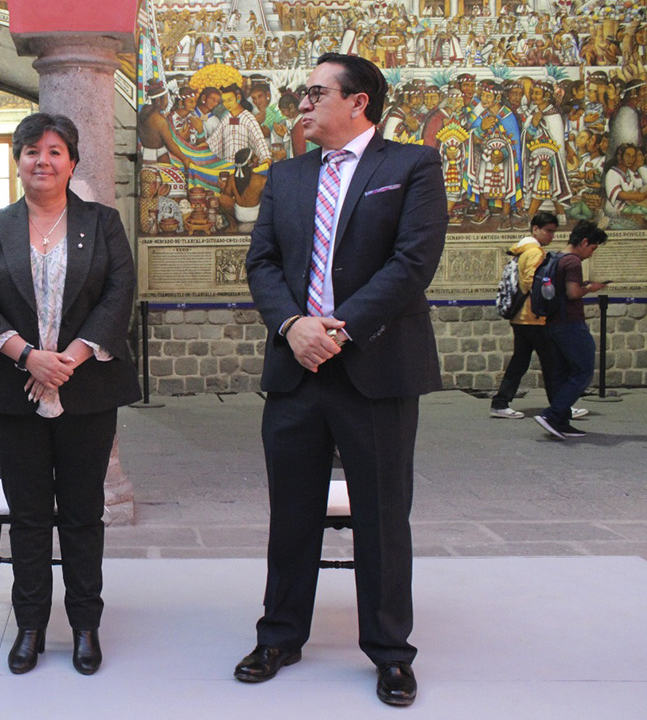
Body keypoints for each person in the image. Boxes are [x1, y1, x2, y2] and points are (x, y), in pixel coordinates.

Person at [241, 53, 448, 707]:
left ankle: (389, 651)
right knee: (291, 514)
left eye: (313, 93)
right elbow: (264, 262)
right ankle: (279, 635)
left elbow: (412, 262)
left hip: (376, 368)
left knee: (383, 516)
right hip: (297, 370)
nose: (299, 104)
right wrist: (293, 327)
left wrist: (340, 327)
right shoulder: (287, 177)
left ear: (358, 102)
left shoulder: (410, 167)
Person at [0, 113, 140, 676]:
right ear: (17, 161)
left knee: (85, 512)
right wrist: (29, 357)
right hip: (13, 393)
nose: (43, 160)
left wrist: (71, 359)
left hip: (87, 389)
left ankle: (86, 623)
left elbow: (119, 291)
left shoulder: (103, 222)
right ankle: (32, 624)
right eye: (32, 150)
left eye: (56, 150)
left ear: (73, 161)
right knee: (30, 515)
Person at [534, 221, 608, 440]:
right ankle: (552, 414)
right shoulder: (573, 262)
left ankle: (561, 422)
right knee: (583, 370)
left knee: (561, 374)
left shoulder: (556, 258)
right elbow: (573, 293)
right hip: (571, 324)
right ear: (584, 242)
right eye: (592, 248)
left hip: (552, 323)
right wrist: (590, 288)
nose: (590, 254)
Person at [490, 212, 561, 419]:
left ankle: (501, 402)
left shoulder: (522, 250)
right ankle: (560, 406)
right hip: (533, 316)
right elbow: (532, 282)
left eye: (553, 232)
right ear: (535, 229)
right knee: (551, 362)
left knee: (521, 361)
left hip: (521, 317)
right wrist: (551, 293)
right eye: (548, 231)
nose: (551, 236)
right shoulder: (535, 252)